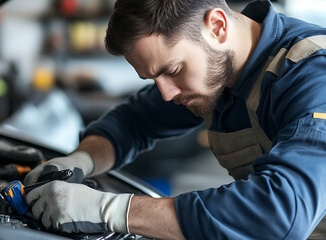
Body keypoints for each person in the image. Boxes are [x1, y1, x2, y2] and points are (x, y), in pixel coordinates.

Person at [24, 0, 326, 239]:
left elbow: (281, 212)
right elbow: (134, 121)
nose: (166, 94)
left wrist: (112, 210)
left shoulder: (312, 76)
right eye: (153, 78)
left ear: (217, 26)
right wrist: (79, 160)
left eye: (172, 70)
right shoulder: (219, 65)